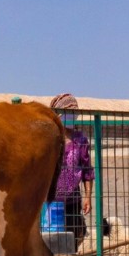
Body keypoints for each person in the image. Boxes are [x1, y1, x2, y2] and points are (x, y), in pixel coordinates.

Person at [50, 93, 94, 246]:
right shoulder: (49, 137)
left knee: (73, 240)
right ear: (58, 114)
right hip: (49, 200)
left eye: (75, 112)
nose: (73, 116)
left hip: (72, 199)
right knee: (51, 240)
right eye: (69, 112)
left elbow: (87, 171)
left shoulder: (80, 140)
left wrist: (88, 196)